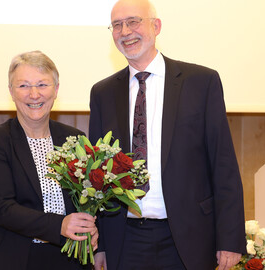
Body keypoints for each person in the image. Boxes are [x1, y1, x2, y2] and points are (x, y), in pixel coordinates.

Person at [88, 0, 246, 269]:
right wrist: (100, 245)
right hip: (125, 239)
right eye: (117, 25)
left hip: (189, 236)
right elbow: (97, 175)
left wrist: (230, 239)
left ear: (156, 26)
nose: (125, 31)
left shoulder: (201, 82)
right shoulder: (102, 93)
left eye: (133, 21)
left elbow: (223, 164)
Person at [0, 50, 98, 270]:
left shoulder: (75, 140)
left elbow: (87, 200)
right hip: (9, 257)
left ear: (56, 90)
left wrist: (91, 229)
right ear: (11, 91)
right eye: (24, 85)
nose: (34, 94)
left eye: (43, 85)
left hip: (67, 258)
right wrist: (60, 225)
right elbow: (2, 208)